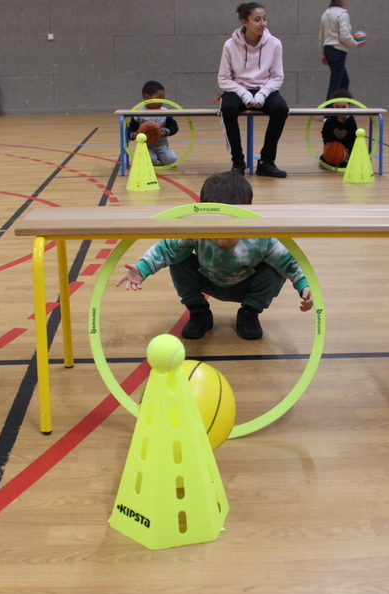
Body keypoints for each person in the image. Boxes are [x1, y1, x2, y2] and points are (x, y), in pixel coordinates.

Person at [116, 172, 313, 341]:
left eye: (230, 232)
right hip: (208, 279)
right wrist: (142, 269)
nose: (221, 240)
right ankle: (199, 313)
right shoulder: (196, 230)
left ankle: (249, 313)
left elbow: (290, 262)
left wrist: (304, 285)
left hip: (246, 285)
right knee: (178, 258)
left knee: (276, 268)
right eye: (215, 231)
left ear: (246, 218)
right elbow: (166, 249)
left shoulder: (262, 238)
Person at [218, 2, 290, 178]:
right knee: (227, 108)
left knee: (281, 109)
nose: (262, 23)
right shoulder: (230, 45)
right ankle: (238, 162)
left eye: (264, 19)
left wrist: (262, 94)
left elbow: (277, 77)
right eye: (257, 19)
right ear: (245, 22)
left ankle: (266, 162)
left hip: (265, 88)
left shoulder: (275, 44)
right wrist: (243, 94)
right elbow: (224, 79)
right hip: (237, 89)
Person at [125, 81, 180, 167]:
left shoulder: (165, 112)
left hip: (161, 145)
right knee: (151, 161)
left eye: (163, 98)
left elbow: (174, 127)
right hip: (145, 145)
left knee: (172, 161)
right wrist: (135, 134)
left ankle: (162, 156)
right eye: (158, 99)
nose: (161, 102)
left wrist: (165, 131)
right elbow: (129, 131)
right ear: (147, 97)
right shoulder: (138, 113)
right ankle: (144, 156)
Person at [320, 0, 363, 101]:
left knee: (344, 80)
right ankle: (329, 109)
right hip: (338, 50)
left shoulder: (326, 13)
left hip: (328, 49)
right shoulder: (342, 13)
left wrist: (323, 53)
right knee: (336, 81)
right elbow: (344, 36)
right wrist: (356, 43)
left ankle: (342, 105)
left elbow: (321, 36)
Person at [320, 88, 359, 168]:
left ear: (349, 106)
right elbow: (324, 132)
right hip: (333, 148)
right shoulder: (330, 120)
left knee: (347, 164)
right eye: (337, 107)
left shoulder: (351, 122)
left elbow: (353, 139)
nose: (340, 110)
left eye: (343, 107)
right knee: (324, 160)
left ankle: (344, 159)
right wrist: (326, 143)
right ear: (333, 106)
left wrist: (348, 150)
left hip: (346, 149)